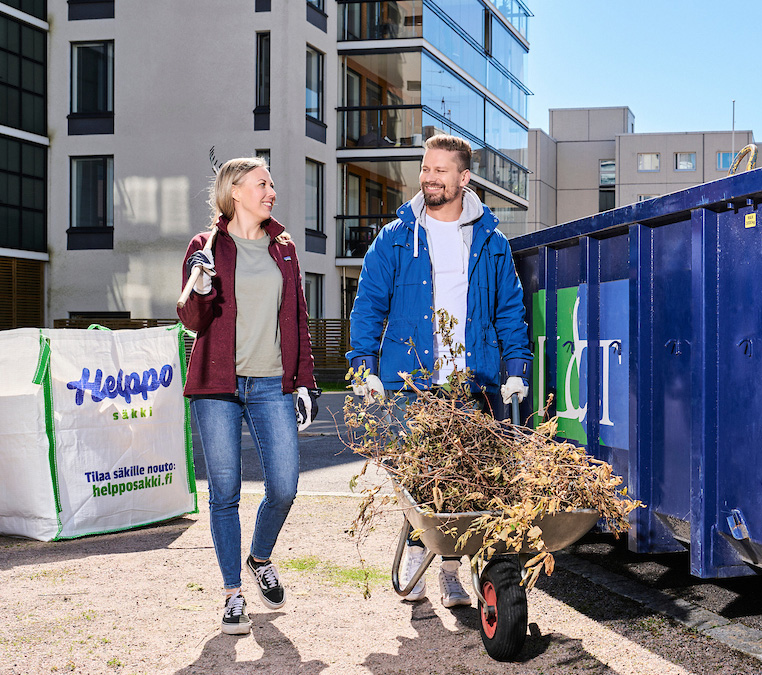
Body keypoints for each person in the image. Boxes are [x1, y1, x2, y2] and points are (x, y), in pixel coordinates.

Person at [346, 134, 532, 607]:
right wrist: (364, 365)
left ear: (463, 178)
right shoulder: (395, 238)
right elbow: (368, 306)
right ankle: (417, 558)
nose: (428, 177)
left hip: (473, 381)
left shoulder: (491, 242)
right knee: (422, 479)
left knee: (467, 483)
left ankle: (449, 570)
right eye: (425, 168)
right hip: (412, 382)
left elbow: (510, 310)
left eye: (439, 170)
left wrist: (516, 367)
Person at [178, 157, 319, 635]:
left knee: (284, 486)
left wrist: (305, 382)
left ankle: (260, 556)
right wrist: (198, 284)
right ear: (235, 191)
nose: (271, 191)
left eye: (272, 184)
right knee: (224, 493)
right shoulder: (207, 246)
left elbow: (298, 318)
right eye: (263, 183)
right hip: (217, 386)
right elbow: (193, 321)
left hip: (270, 383)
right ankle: (233, 593)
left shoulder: (284, 249)